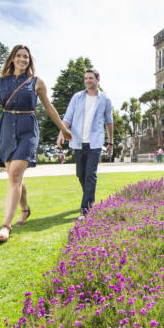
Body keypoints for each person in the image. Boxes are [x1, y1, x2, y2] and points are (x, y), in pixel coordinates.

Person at [0, 44, 72, 242]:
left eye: (26, 57)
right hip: (7, 129)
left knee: (15, 174)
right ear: (12, 59)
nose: (23, 60)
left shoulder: (36, 82)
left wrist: (63, 128)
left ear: (30, 61)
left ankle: (5, 226)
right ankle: (24, 209)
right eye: (19, 56)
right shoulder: (0, 82)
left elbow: (49, 107)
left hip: (27, 130)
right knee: (14, 177)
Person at [56, 68, 113, 217]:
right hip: (78, 141)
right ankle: (88, 197)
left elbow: (109, 122)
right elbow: (67, 117)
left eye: (91, 78)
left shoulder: (105, 100)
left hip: (95, 142)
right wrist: (62, 132)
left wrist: (110, 142)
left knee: (90, 175)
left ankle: (86, 209)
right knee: (80, 174)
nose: (88, 80)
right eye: (86, 78)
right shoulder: (77, 97)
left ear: (97, 80)